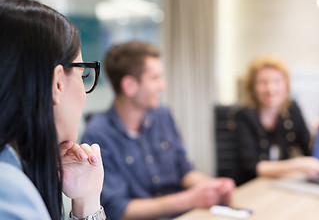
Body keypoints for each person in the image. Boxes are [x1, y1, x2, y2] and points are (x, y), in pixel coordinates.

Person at [81, 41, 235, 220]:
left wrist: (214, 186)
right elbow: (118, 209)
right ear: (129, 85)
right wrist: (189, 199)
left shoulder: (162, 115)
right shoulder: (98, 135)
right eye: (155, 78)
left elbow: (183, 169)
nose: (163, 85)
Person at [0, 0, 106, 220]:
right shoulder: (8, 191)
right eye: (83, 75)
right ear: (57, 83)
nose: (84, 97)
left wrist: (86, 198)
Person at [234, 54, 319, 185]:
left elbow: (308, 150)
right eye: (263, 82)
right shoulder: (244, 115)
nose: (271, 89)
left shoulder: (292, 109)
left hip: (280, 183)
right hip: (250, 185)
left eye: (277, 81)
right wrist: (298, 165)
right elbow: (252, 166)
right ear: (253, 87)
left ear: (286, 85)